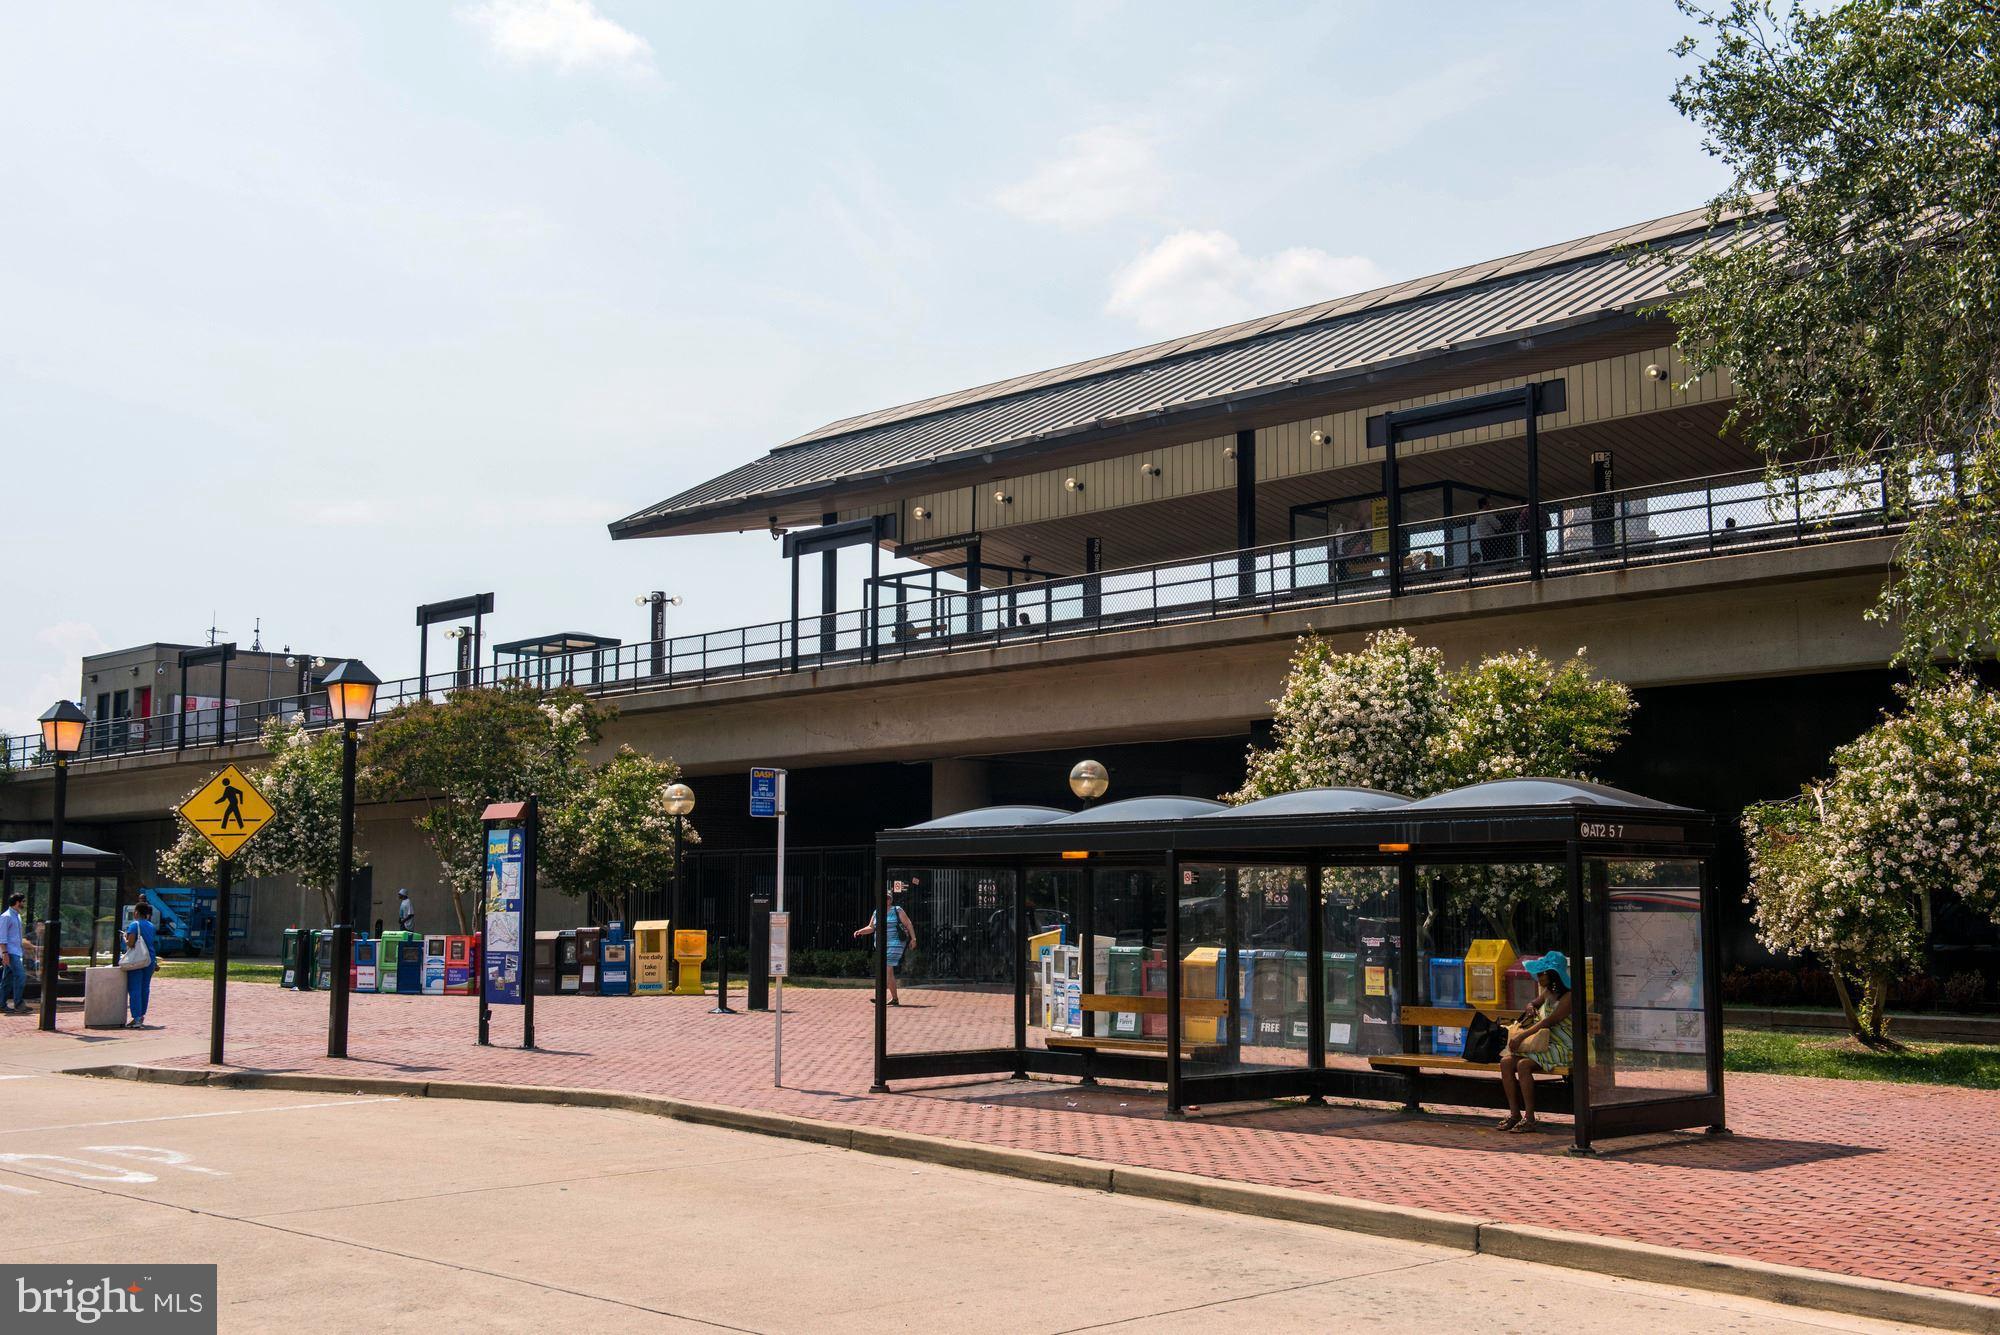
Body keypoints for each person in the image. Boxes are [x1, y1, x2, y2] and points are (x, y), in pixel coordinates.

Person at [1496, 951, 1574, 1134]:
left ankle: (1529, 1118)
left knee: (1523, 1065)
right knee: (1506, 1062)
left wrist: (1521, 1037)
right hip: (1542, 1043)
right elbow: (1533, 1003)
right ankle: (1514, 1114)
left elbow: (1549, 1021)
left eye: (1541, 974)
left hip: (1563, 1046)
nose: (1537, 977)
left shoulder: (1569, 996)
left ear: (1552, 974)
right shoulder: (1549, 991)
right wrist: (1531, 1007)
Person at [853, 889, 917, 1006]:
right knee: (888, 972)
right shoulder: (876, 912)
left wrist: (913, 939)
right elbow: (871, 927)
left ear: (891, 899)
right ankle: (895, 998)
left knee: (886, 969)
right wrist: (860, 931)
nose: (886, 899)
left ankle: (880, 997)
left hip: (896, 943)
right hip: (882, 945)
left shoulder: (897, 910)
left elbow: (908, 924)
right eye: (884, 897)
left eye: (888, 898)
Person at [122, 900, 160, 1030]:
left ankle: (136, 1017)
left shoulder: (134, 925)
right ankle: (142, 1015)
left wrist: (124, 938)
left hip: (136, 961)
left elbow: (131, 943)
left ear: (136, 912)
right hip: (149, 960)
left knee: (135, 988)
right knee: (145, 988)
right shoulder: (151, 926)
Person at [0, 893, 24, 1015]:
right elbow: (2, 937)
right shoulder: (6, 916)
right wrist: (4, 953)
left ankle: (1, 1004)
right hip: (10, 952)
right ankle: (18, 1004)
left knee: (7, 979)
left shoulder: (17, 916)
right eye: (22, 901)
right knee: (20, 976)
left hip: (16, 951)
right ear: (17, 902)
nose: (23, 904)